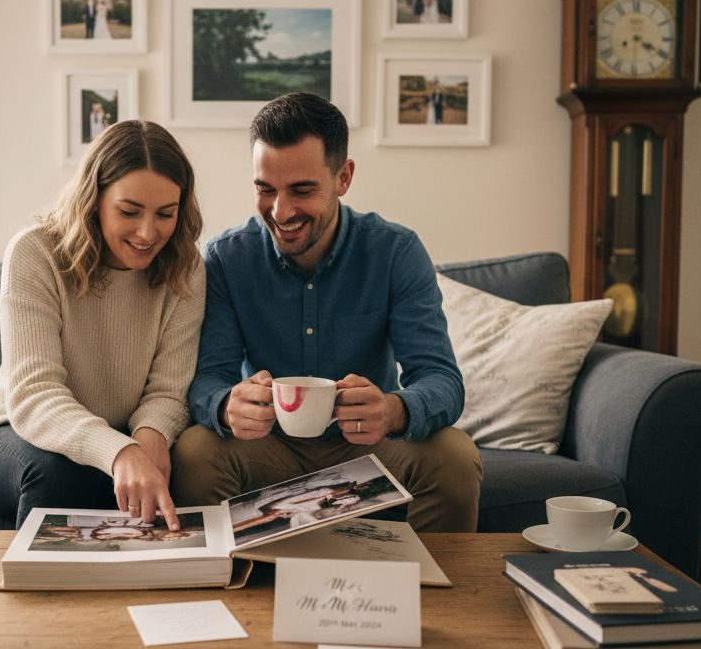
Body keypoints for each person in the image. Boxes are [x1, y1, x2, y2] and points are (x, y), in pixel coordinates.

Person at [170, 92, 482, 533]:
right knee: (193, 452)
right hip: (267, 446)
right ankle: (222, 585)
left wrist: (393, 410)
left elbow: (442, 380)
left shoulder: (396, 252)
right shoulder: (226, 258)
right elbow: (207, 379)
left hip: (367, 447)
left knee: (454, 456)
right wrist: (225, 406)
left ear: (344, 177)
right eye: (265, 189)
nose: (280, 211)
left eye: (301, 190)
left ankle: (431, 596)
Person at [0, 120, 209, 533]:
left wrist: (150, 437)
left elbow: (169, 389)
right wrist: (121, 453)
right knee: (60, 476)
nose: (149, 233)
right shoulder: (35, 253)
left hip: (118, 438)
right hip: (12, 431)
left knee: (182, 469)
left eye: (166, 214)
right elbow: (35, 395)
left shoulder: (186, 267)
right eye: (129, 212)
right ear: (94, 200)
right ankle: (37, 597)